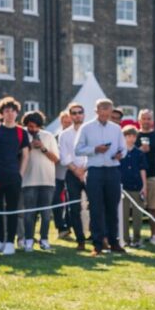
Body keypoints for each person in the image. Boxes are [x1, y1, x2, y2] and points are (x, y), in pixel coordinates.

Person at [75, 98, 128, 255]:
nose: (105, 112)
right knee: (96, 208)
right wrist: (95, 149)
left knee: (113, 208)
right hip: (95, 171)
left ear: (111, 112)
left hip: (113, 170)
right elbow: (78, 150)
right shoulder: (86, 128)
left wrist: (120, 154)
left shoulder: (117, 129)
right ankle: (98, 244)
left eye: (108, 110)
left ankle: (114, 242)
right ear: (96, 111)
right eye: (102, 109)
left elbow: (124, 149)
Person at [0, 98, 30, 256]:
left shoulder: (21, 132)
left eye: (12, 111)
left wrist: (20, 174)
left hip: (13, 177)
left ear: (17, 113)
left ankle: (10, 241)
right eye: (6, 111)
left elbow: (25, 155)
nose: (10, 114)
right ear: (1, 113)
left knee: (12, 210)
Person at [20, 110, 60, 250]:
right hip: (28, 180)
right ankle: (29, 240)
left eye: (36, 126)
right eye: (30, 126)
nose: (33, 129)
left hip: (47, 181)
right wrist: (29, 147)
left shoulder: (48, 136)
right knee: (29, 213)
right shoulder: (21, 135)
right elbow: (17, 157)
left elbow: (56, 159)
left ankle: (44, 239)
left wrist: (43, 148)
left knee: (46, 213)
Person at [58, 103, 89, 251]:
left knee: (96, 205)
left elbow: (94, 152)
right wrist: (76, 171)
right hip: (72, 172)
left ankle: (99, 238)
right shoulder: (64, 134)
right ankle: (80, 240)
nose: (77, 115)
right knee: (74, 208)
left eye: (80, 112)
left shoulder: (90, 131)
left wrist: (84, 170)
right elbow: (64, 157)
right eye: (74, 113)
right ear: (70, 116)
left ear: (84, 114)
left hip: (89, 171)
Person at [136, 109, 155, 245]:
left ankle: (154, 235)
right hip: (136, 178)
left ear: (152, 121)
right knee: (137, 208)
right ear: (139, 120)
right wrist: (140, 151)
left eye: (148, 118)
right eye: (144, 118)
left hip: (154, 176)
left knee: (154, 208)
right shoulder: (134, 136)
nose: (146, 121)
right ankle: (136, 237)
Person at [119, 125, 148, 247]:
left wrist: (144, 186)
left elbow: (142, 169)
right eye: (128, 136)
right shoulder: (119, 152)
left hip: (137, 186)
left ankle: (137, 239)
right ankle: (125, 239)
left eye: (133, 136)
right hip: (123, 187)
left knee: (137, 214)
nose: (131, 139)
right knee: (124, 214)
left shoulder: (139, 153)